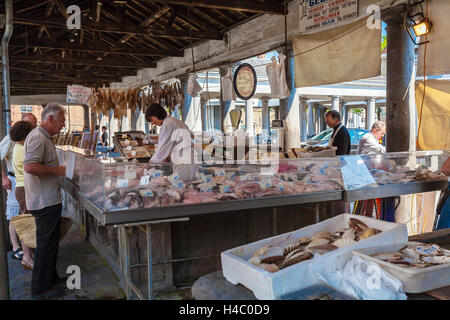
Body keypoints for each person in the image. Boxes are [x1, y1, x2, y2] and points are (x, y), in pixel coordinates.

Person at [23, 103, 67, 299]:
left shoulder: (45, 137)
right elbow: (30, 167)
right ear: (50, 119)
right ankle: (40, 288)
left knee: (51, 244)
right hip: (43, 201)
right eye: (61, 121)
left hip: (49, 199)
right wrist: (56, 171)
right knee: (45, 245)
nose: (63, 125)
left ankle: (52, 279)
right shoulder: (38, 137)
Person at [0, 113, 37, 261]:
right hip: (15, 179)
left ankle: (27, 249)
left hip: (25, 180)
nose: (32, 128)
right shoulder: (11, 139)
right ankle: (16, 247)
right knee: (15, 214)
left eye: (34, 125)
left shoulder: (30, 138)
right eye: (30, 125)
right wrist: (3, 178)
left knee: (24, 215)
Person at [145, 103, 198, 180]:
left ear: (157, 114)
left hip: (183, 162)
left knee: (181, 186)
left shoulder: (168, 124)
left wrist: (149, 165)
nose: (153, 123)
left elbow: (163, 150)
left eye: (152, 120)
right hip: (189, 159)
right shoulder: (175, 121)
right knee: (189, 185)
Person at [10, 121, 35, 270]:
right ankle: (27, 257)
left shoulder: (19, 147)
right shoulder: (22, 148)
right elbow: (32, 168)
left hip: (23, 188)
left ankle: (29, 255)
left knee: (29, 223)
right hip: (24, 189)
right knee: (28, 225)